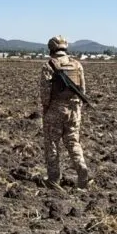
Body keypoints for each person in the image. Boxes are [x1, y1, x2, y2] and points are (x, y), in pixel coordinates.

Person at [39, 35, 90, 188]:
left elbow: (45, 92)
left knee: (52, 144)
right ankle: (82, 170)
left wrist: (46, 108)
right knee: (73, 141)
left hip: (55, 109)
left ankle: (54, 180)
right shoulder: (77, 65)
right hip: (74, 110)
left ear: (51, 49)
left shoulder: (49, 66)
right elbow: (82, 90)